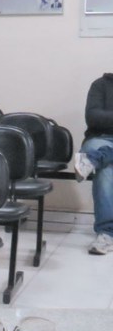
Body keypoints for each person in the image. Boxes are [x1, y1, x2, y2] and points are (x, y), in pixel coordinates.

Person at [76, 73, 113, 254]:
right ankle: (107, 234)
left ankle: (94, 159)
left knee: (103, 164)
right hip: (101, 139)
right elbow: (93, 117)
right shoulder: (101, 84)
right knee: (106, 170)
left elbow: (102, 118)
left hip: (100, 149)